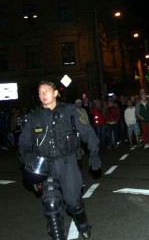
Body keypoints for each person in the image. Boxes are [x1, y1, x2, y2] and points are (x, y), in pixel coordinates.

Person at [19, 80, 101, 239]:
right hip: (45, 167)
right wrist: (28, 158)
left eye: (46, 91)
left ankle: (83, 224)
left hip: (67, 163)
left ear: (55, 93)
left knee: (73, 203)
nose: (43, 95)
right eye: (40, 92)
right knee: (51, 205)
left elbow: (88, 133)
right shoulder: (33, 118)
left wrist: (94, 152)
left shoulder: (70, 111)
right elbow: (23, 144)